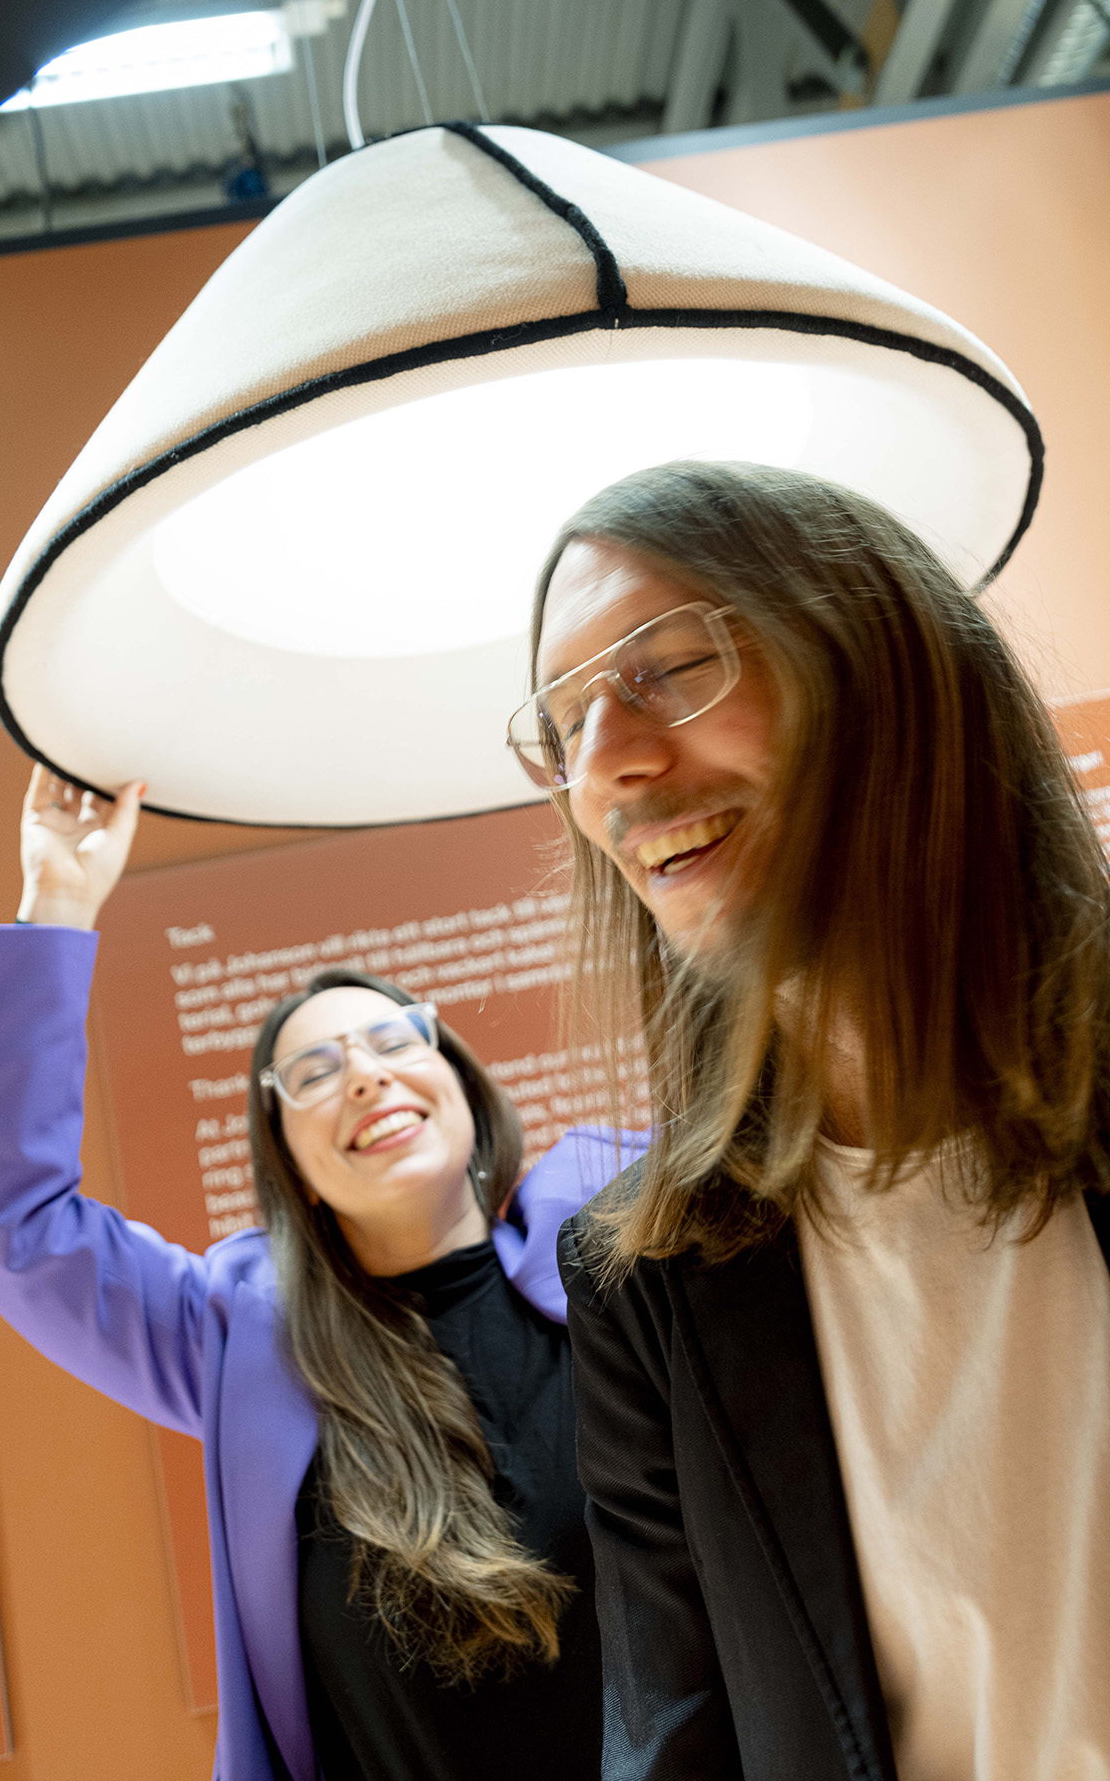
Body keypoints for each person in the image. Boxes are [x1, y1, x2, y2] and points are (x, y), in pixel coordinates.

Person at [504, 459, 1110, 1781]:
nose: (603, 767)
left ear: (879, 658)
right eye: (562, 728)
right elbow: (673, 1741)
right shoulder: (644, 1281)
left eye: (665, 667)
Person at [0, 766, 644, 1781]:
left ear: (461, 1087)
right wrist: (58, 904)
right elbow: (4, 1215)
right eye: (314, 1073)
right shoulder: (238, 1340)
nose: (363, 1074)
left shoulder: (614, 1239)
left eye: (393, 1040)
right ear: (290, 1165)